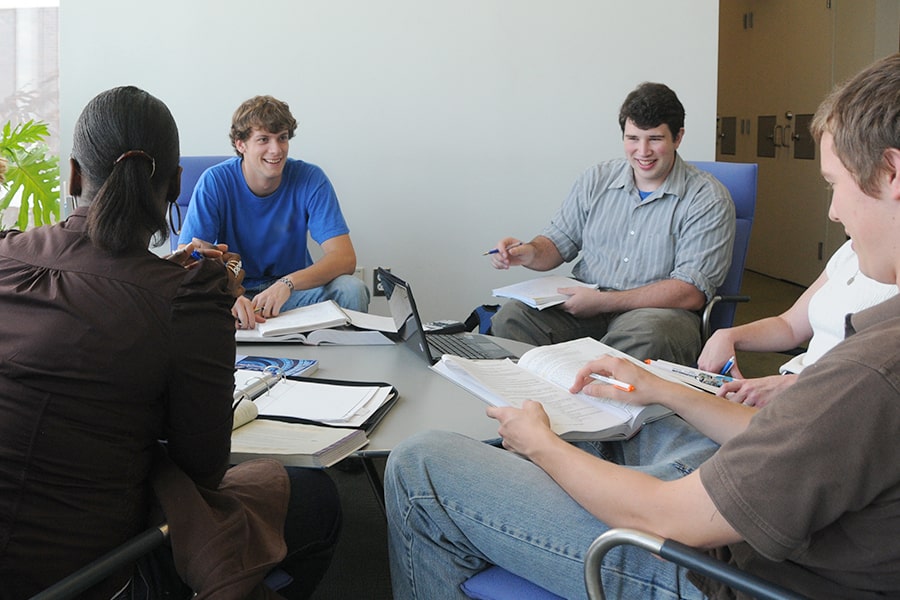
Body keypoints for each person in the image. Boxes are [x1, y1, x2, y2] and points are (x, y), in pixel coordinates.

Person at [385, 53, 900, 599]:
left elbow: (674, 516)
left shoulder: (869, 369)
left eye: (832, 184)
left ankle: (516, 484)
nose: (833, 213)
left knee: (420, 463)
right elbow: (555, 243)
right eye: (632, 139)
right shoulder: (868, 347)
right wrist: (663, 389)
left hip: (722, 570)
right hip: (752, 521)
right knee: (629, 412)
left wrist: (541, 445)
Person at [0, 86, 340, 599]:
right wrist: (201, 307)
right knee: (318, 499)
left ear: (73, 174)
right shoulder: (187, 301)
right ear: (177, 183)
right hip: (97, 574)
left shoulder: (7, 256)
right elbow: (203, 469)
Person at [488, 82, 735, 365]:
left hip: (658, 313)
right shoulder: (596, 179)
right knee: (511, 318)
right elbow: (557, 243)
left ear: (678, 137)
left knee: (647, 336)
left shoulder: (708, 198)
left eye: (655, 139)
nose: (642, 151)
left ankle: (590, 404)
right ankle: (539, 401)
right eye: (633, 138)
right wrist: (528, 252)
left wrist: (605, 302)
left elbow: (689, 293)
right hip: (587, 305)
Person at [178, 95, 369, 330]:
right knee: (189, 301)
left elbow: (344, 258)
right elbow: (188, 260)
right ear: (241, 144)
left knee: (352, 289)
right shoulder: (214, 181)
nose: (276, 149)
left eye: (282, 138)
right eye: (263, 139)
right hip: (235, 296)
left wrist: (287, 284)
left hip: (291, 294)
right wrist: (229, 296)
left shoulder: (310, 179)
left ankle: (345, 362)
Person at [698, 239, 897, 406]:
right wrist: (728, 336)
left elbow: (871, 380)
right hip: (793, 392)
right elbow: (790, 326)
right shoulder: (850, 251)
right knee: (679, 411)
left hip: (827, 402)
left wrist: (793, 385)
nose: (833, 213)